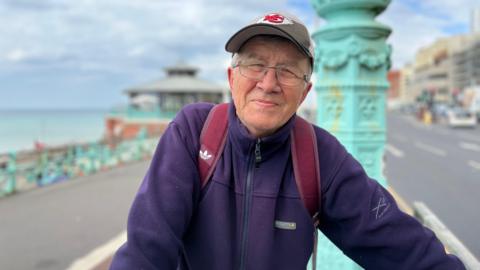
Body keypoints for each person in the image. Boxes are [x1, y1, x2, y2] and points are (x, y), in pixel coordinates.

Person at [110, 12, 465, 270]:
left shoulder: (320, 156)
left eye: (288, 70)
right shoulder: (193, 130)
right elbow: (146, 249)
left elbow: (400, 245)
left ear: (306, 90)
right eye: (255, 65)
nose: (268, 83)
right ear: (231, 77)